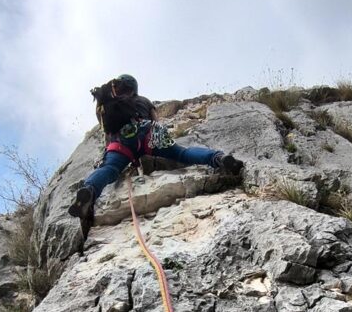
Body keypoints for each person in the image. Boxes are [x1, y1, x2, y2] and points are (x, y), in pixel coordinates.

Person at [68, 74, 243, 226]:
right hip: (148, 133)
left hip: (120, 143)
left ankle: (89, 191)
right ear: (134, 88)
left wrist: (110, 154)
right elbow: (156, 121)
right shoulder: (143, 100)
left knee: (109, 169)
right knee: (181, 153)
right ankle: (218, 158)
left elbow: (107, 133)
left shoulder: (109, 106)